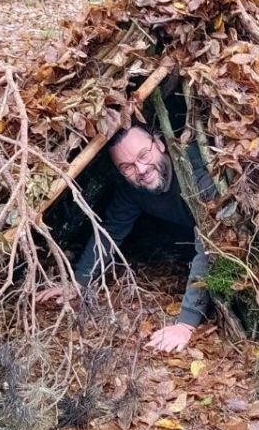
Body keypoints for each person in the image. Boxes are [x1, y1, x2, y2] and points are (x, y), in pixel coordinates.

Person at [69, 124, 216, 353]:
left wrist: (187, 322)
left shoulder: (196, 169)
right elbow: (112, 231)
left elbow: (210, 242)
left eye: (144, 155)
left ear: (159, 143)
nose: (140, 169)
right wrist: (80, 280)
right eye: (126, 167)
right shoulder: (132, 189)